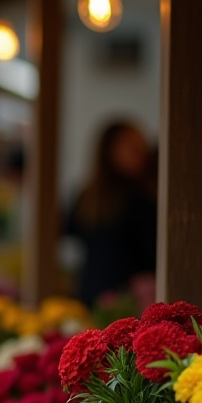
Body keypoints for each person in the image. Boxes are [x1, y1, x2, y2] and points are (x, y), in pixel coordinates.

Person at [68, 120, 157, 306]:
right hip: (121, 299)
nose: (139, 152)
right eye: (130, 146)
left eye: (140, 145)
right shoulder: (135, 199)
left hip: (104, 294)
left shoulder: (89, 196)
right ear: (109, 151)